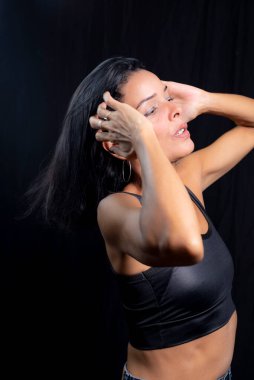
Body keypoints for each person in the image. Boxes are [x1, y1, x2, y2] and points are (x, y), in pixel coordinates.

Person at [24, 57, 254, 379]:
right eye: (149, 111)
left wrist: (204, 101)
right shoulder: (116, 210)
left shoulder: (187, 176)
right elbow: (186, 245)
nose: (174, 109)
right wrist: (144, 138)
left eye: (167, 96)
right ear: (117, 145)